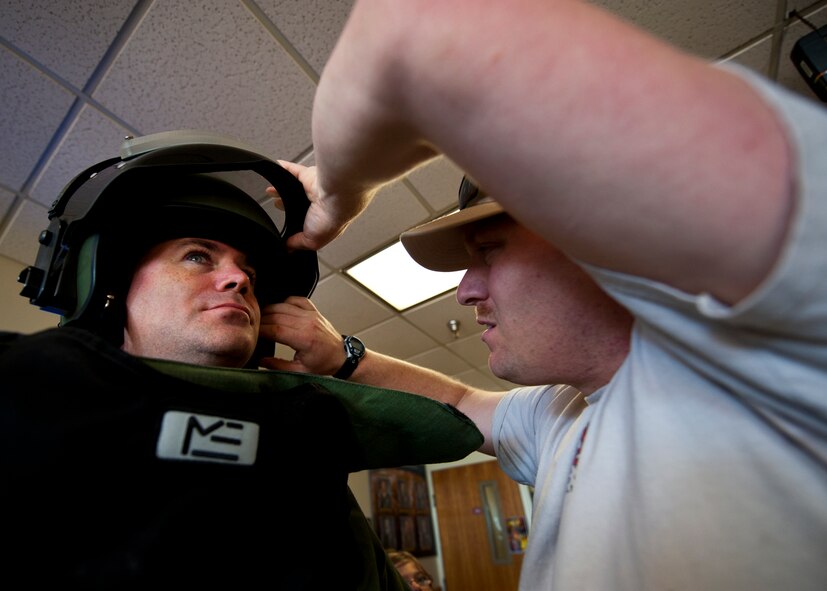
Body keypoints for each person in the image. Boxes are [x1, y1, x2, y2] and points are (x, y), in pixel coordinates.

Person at [266, 1, 827, 589]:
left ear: (595, 237)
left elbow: (422, 21)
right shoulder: (563, 415)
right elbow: (458, 400)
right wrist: (342, 358)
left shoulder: (759, 355)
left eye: (489, 251)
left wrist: (332, 195)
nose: (465, 290)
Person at [0, 130, 482, 589]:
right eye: (197, 256)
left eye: (248, 271)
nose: (239, 280)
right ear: (112, 289)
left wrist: (344, 359)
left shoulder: (306, 445)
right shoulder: (23, 401)